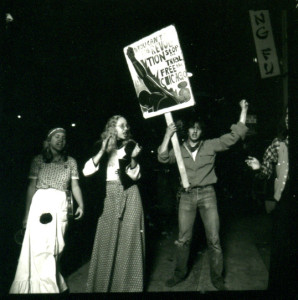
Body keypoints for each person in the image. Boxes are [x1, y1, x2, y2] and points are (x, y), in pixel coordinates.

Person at [157, 100, 249, 290]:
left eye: (198, 128)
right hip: (186, 197)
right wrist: (167, 135)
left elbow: (235, 135)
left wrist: (244, 110)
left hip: (208, 195)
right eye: (191, 128)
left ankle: (217, 278)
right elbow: (162, 157)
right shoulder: (179, 148)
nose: (194, 131)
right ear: (187, 131)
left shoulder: (211, 145)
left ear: (202, 131)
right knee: (183, 240)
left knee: (214, 240)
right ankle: (179, 274)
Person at [9, 128, 84, 294]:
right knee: (37, 247)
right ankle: (42, 288)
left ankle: (51, 283)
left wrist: (81, 205)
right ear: (48, 140)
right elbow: (31, 187)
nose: (60, 140)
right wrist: (26, 215)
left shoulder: (70, 161)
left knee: (56, 247)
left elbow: (75, 186)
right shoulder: (38, 160)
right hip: (40, 204)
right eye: (57, 137)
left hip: (60, 205)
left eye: (63, 138)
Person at [83, 115, 144, 292]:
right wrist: (102, 150)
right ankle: (103, 286)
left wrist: (133, 158)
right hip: (108, 195)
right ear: (112, 129)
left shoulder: (132, 145)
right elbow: (87, 171)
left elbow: (136, 176)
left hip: (130, 194)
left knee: (130, 241)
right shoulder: (100, 147)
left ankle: (128, 287)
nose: (126, 128)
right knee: (106, 240)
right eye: (121, 126)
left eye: (127, 125)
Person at [246, 109, 295, 293]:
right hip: (285, 200)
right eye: (287, 114)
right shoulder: (278, 143)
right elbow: (266, 171)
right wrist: (259, 167)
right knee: (282, 248)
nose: (289, 118)